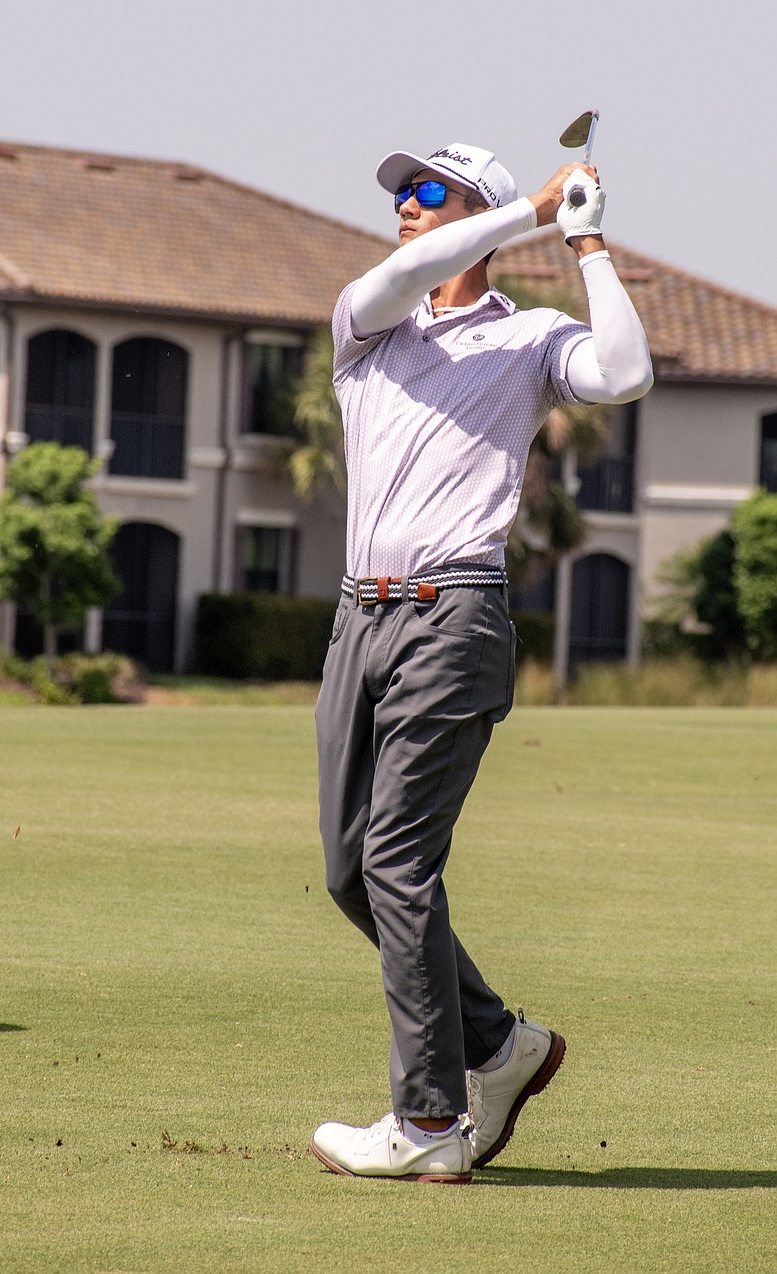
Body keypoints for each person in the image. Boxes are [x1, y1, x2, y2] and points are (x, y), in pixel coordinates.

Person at [310, 141, 653, 1183]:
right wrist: (532, 211)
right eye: (403, 193)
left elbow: (625, 372)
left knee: (399, 862)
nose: (403, 207)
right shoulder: (368, 324)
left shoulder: (533, 339)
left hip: (453, 614)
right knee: (348, 871)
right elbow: (402, 278)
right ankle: (500, 1044)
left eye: (426, 193)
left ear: (478, 211)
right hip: (356, 622)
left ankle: (428, 1120)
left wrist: (584, 237)